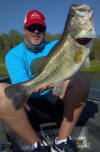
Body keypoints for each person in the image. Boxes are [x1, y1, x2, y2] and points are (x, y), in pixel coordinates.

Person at [0, 10, 89, 152]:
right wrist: (36, 86)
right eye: (31, 27)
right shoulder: (14, 54)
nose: (36, 32)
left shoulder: (58, 46)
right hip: (28, 107)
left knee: (82, 78)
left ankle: (62, 142)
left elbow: (76, 61)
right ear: (24, 30)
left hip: (57, 100)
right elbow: (21, 84)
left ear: (45, 29)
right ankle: (37, 146)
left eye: (40, 28)